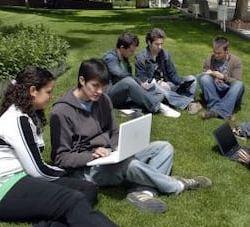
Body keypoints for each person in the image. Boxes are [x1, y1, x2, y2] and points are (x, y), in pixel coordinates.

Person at [0, 66, 136, 227]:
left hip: (21, 178)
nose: (51, 96)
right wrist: (65, 173)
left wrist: (70, 177)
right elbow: (38, 170)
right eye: (48, 92)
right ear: (33, 91)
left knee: (87, 188)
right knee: (72, 199)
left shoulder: (27, 113)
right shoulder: (18, 120)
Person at [49, 58, 211, 214]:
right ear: (82, 80)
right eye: (95, 86)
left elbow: (113, 131)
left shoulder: (103, 100)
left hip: (109, 156)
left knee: (164, 148)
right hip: (85, 169)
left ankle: (143, 192)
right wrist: (91, 156)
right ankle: (177, 185)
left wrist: (119, 147)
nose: (100, 91)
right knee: (130, 165)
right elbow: (61, 158)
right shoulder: (62, 112)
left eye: (103, 86)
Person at [103, 32, 180, 118]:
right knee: (128, 82)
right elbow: (120, 74)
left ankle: (135, 109)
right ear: (122, 48)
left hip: (124, 95)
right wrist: (139, 83)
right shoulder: (110, 58)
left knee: (157, 92)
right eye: (131, 51)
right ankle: (158, 107)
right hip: (110, 95)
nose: (133, 53)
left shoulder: (125, 60)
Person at [134, 28, 202, 114]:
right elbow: (142, 79)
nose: (160, 47)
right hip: (153, 88)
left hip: (169, 85)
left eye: (161, 44)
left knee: (192, 78)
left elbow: (172, 74)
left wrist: (181, 83)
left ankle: (178, 99)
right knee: (157, 88)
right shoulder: (140, 57)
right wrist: (158, 82)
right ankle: (189, 103)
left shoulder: (165, 54)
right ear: (149, 42)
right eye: (157, 44)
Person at [197, 36, 244, 120]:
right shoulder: (210, 59)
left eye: (219, 53)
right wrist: (208, 73)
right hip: (215, 90)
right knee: (203, 77)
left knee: (239, 85)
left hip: (229, 91)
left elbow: (237, 81)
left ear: (226, 51)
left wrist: (223, 77)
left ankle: (215, 110)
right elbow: (203, 73)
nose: (216, 55)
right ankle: (222, 111)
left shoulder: (236, 61)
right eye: (215, 52)